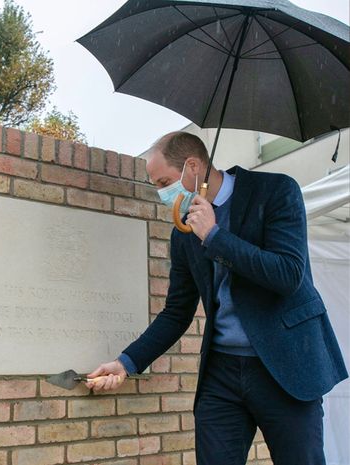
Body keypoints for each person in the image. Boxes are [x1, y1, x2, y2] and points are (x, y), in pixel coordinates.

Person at [86, 131, 348, 465]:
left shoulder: (277, 191)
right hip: (222, 372)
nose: (161, 192)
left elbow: (287, 275)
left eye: (164, 181)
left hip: (286, 365)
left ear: (192, 167)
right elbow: (176, 313)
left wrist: (214, 236)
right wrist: (126, 362)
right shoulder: (184, 231)